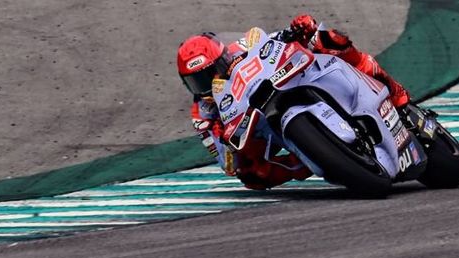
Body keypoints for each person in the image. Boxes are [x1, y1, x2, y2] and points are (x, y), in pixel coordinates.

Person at [176, 15, 411, 189]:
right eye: (196, 81)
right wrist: (223, 138)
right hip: (262, 127)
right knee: (250, 176)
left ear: (222, 57)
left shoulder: (240, 48)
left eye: (209, 73)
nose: (205, 84)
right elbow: (227, 163)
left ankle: (394, 91)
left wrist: (297, 30)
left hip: (286, 81)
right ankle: (311, 160)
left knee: (326, 39)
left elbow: (269, 41)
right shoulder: (203, 113)